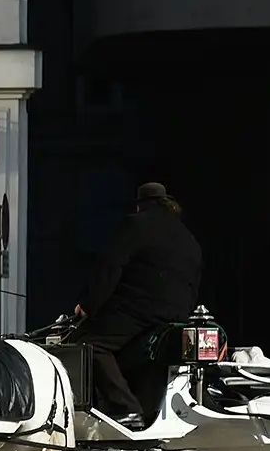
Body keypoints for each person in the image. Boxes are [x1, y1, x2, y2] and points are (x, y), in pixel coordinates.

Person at [71, 181, 204, 430]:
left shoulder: (135, 225)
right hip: (174, 316)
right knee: (135, 354)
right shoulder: (189, 238)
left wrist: (88, 306)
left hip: (138, 310)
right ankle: (143, 409)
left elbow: (110, 268)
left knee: (89, 345)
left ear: (142, 206)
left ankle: (126, 409)